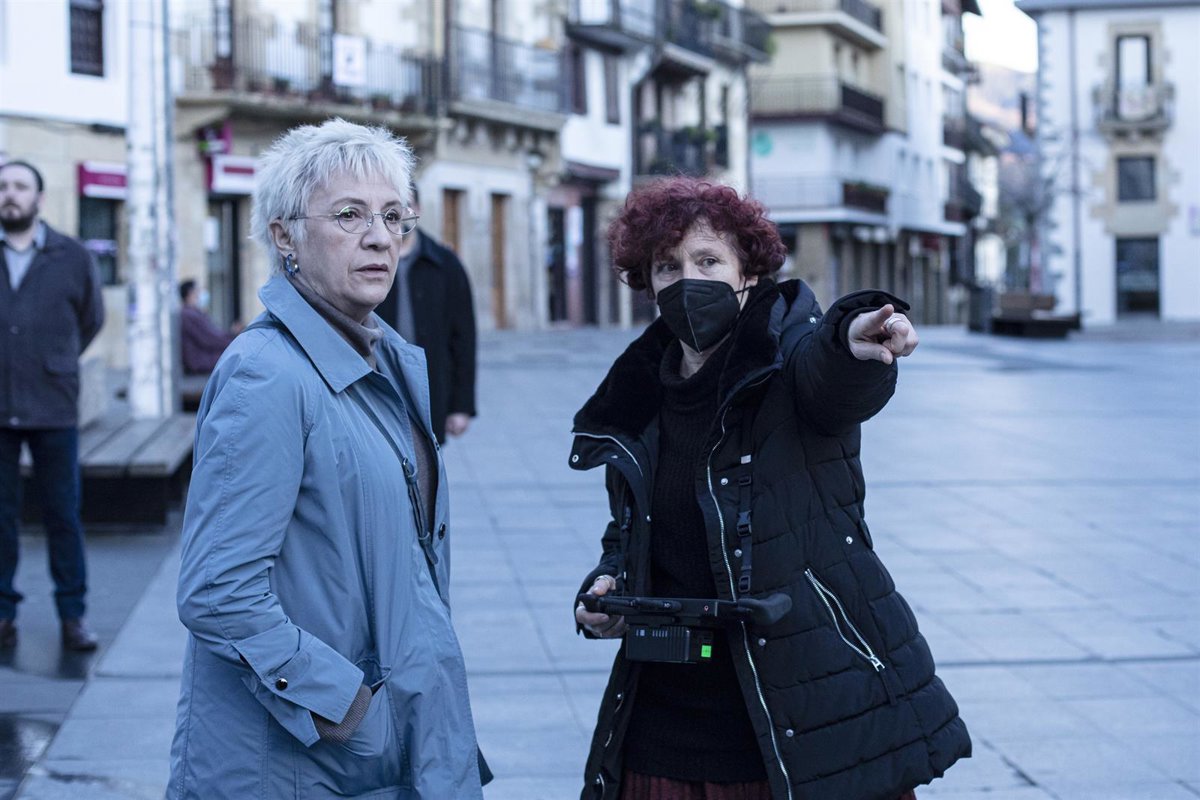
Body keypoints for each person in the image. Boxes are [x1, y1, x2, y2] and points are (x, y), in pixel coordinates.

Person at [571, 178, 970, 800]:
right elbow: (634, 530)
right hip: (662, 721)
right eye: (668, 266)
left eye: (708, 261)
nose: (687, 281)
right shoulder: (635, 395)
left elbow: (831, 377)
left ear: (748, 273)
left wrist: (854, 344)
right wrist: (610, 585)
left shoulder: (789, 361)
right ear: (647, 281)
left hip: (797, 712)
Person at [169, 119, 488, 799]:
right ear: (284, 236)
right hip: (302, 761)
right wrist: (345, 704)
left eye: (392, 216)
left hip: (379, 743)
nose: (380, 237)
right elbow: (218, 591)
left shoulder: (381, 359)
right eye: (349, 215)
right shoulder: (266, 375)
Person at [0, 159, 104, 652]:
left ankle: (72, 614)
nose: (10, 194)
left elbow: (91, 318)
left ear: (39, 198)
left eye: (20, 186)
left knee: (62, 514)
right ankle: (3, 613)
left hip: (53, 403)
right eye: (3, 186)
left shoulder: (72, 255)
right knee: (0, 517)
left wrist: (54, 359)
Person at [375, 187, 476, 443]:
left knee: (428, 458)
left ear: (418, 210)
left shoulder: (446, 263)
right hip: (381, 383)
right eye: (391, 208)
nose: (398, 214)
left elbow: (464, 337)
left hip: (431, 386)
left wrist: (461, 405)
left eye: (405, 205)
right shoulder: (370, 261)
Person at [178, 278, 236, 374]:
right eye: (198, 290)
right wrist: (234, 341)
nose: (200, 294)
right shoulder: (189, 315)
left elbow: (212, 335)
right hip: (200, 361)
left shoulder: (193, 313)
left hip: (203, 358)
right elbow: (210, 339)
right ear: (190, 293)